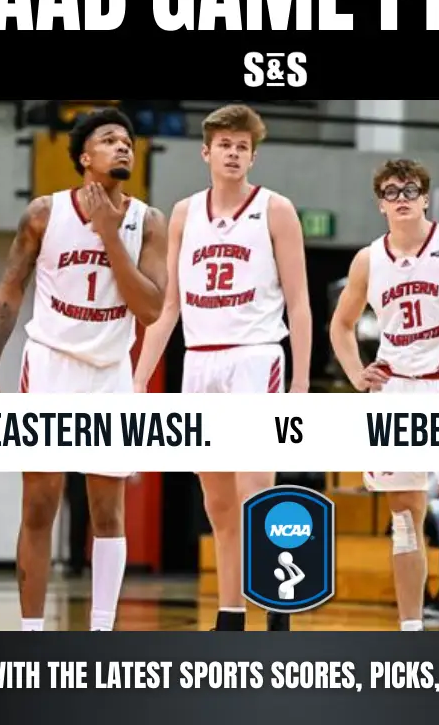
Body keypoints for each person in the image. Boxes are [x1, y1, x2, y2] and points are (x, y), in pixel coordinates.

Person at [0, 107, 168, 632]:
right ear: (85, 158)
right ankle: (32, 635)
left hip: (109, 374)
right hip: (51, 368)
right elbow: (9, 291)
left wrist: (109, 235)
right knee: (39, 506)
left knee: (108, 513)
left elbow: (151, 309)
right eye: (109, 140)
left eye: (127, 140)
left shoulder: (148, 222)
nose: (123, 146)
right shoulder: (44, 213)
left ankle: (101, 634)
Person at [133, 104, 312, 632]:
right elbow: (170, 309)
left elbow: (300, 304)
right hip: (201, 360)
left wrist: (299, 384)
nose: (234, 154)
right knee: (215, 498)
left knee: (256, 489)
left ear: (253, 156)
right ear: (206, 151)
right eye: (225, 145)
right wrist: (140, 379)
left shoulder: (276, 209)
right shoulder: (185, 213)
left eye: (243, 147)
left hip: (256, 357)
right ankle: (231, 614)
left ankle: (278, 611)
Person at [329, 158, 439, 631]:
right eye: (392, 191)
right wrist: (358, 374)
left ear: (425, 197)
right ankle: (410, 630)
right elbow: (340, 325)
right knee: (404, 521)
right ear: (380, 203)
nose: (402, 198)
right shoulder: (368, 259)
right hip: (395, 392)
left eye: (410, 190)